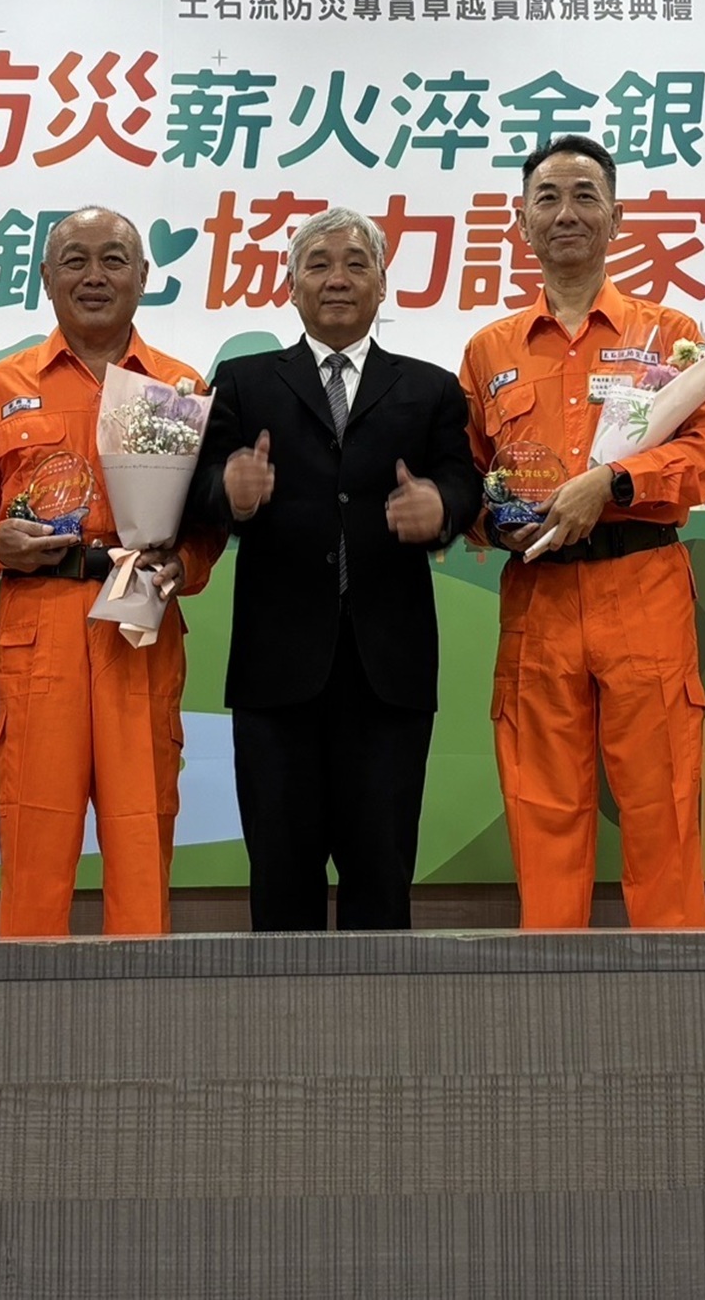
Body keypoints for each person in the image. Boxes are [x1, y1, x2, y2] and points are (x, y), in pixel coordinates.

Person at [455, 135, 705, 929]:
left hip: (642, 584)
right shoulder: (489, 349)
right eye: (546, 197)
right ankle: (550, 981)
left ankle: (674, 978)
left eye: (583, 196)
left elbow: (703, 457)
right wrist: (490, 520)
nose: (565, 212)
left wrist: (613, 482)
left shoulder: (670, 333)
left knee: (662, 800)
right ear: (521, 222)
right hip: (537, 595)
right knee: (541, 803)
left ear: (616, 216)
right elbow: (466, 471)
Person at [191, 206, 483, 930]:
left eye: (356, 264)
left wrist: (441, 507)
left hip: (389, 668)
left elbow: (462, 479)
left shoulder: (430, 388)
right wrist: (229, 492)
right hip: (276, 668)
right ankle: (280, 1007)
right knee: (280, 878)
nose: (338, 279)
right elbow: (197, 487)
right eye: (318, 265)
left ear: (383, 285)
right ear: (291, 286)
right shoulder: (243, 382)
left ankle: (379, 1008)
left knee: (381, 876)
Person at [0, 207, 220, 937]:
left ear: (144, 276)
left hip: (140, 622)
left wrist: (183, 563)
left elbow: (206, 521)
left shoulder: (181, 387)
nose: (94, 276)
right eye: (74, 260)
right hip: (38, 625)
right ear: (45, 276)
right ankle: (26, 1004)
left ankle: (141, 1003)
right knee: (34, 841)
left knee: (141, 834)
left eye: (113, 260)